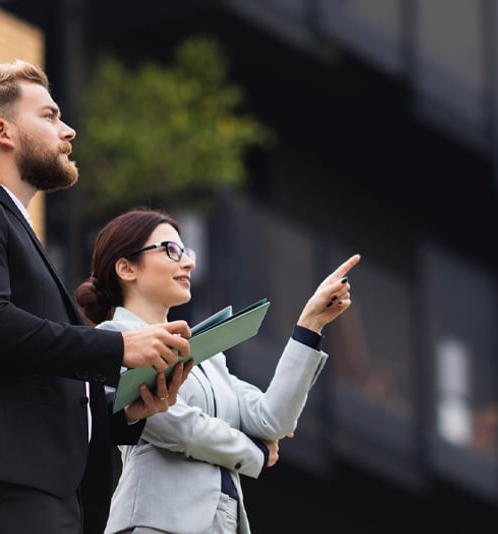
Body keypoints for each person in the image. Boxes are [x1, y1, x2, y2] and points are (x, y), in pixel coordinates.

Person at [0, 60, 194, 534]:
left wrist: (126, 416)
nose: (67, 131)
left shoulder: (18, 229)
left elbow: (43, 391)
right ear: (2, 131)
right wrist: (120, 348)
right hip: (4, 492)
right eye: (48, 116)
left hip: (47, 498)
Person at [73, 207, 361, 534]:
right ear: (126, 268)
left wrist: (310, 325)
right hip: (155, 525)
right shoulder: (116, 339)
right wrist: (252, 451)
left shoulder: (206, 353)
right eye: (171, 250)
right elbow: (176, 425)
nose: (188, 262)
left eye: (186, 251)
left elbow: (272, 419)